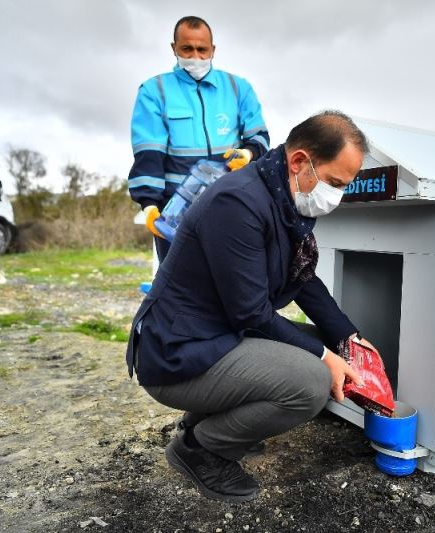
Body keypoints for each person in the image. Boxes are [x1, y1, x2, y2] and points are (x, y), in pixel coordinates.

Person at [125, 111, 379, 502]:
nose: (336, 196)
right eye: (333, 182)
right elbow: (251, 314)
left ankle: (208, 420)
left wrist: (348, 337)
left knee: (318, 345)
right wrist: (326, 357)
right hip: (177, 352)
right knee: (310, 382)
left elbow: (302, 279)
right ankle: (200, 448)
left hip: (215, 338)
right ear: (300, 161)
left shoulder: (280, 198)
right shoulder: (237, 203)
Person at [127, 15, 269, 260]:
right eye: (187, 49)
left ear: (213, 49)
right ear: (174, 49)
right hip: (176, 210)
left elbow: (260, 137)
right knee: (179, 286)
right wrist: (149, 204)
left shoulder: (238, 88)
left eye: (202, 49)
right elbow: (148, 152)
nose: (195, 56)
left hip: (230, 204)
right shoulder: (154, 91)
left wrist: (247, 154)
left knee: (230, 280)